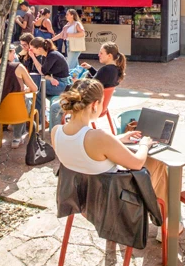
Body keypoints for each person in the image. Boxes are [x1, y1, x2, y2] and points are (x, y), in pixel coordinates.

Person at [51, 78, 168, 209]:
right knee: (157, 162)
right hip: (111, 202)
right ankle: (166, 219)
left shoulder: (56, 132)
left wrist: (117, 139)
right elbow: (137, 163)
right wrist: (144, 144)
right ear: (95, 105)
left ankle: (165, 218)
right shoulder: (99, 137)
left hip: (80, 198)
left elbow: (81, 149)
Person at [48, 42, 126, 128]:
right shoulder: (115, 70)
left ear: (109, 56)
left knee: (55, 107)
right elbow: (100, 79)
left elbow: (89, 87)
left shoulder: (105, 70)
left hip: (89, 106)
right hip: (99, 106)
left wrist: (77, 82)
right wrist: (90, 68)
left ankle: (56, 136)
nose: (98, 55)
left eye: (101, 53)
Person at [1, 44, 38, 148]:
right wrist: (26, 89)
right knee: (25, 101)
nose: (15, 55)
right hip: (17, 110)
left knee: (21, 101)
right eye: (13, 52)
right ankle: (17, 137)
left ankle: (16, 131)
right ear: (8, 53)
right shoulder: (18, 67)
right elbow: (35, 88)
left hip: (0, 111)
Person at [27, 37, 72, 111]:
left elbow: (42, 72)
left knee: (37, 85)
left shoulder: (52, 55)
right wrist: (51, 78)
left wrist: (33, 57)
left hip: (64, 85)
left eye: (32, 49)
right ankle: (39, 117)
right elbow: (44, 74)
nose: (30, 51)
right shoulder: (46, 56)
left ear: (39, 49)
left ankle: (38, 116)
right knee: (38, 90)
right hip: (57, 82)